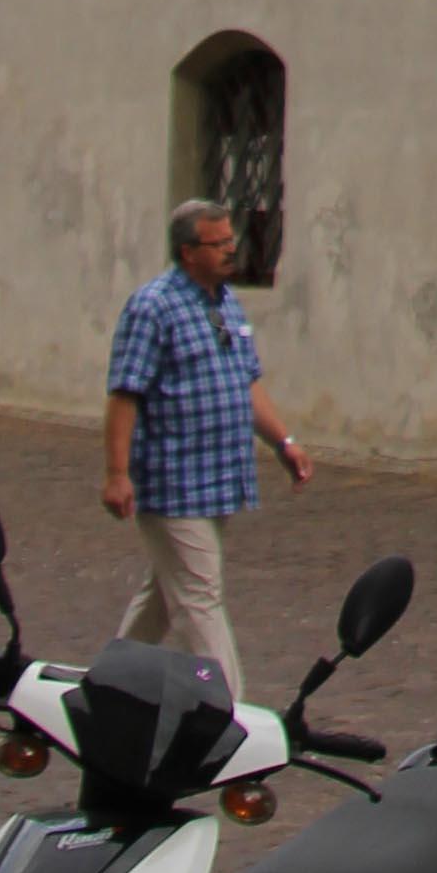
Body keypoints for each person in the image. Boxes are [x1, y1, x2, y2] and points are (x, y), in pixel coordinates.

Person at [102, 194, 311, 691]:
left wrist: (283, 441)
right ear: (186, 250)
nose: (229, 251)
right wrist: (116, 473)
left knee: (162, 595)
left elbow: (246, 380)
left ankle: (108, 683)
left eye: (230, 241)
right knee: (199, 597)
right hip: (173, 480)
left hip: (217, 479)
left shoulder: (224, 304)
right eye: (217, 244)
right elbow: (124, 394)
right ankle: (233, 717)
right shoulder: (153, 307)